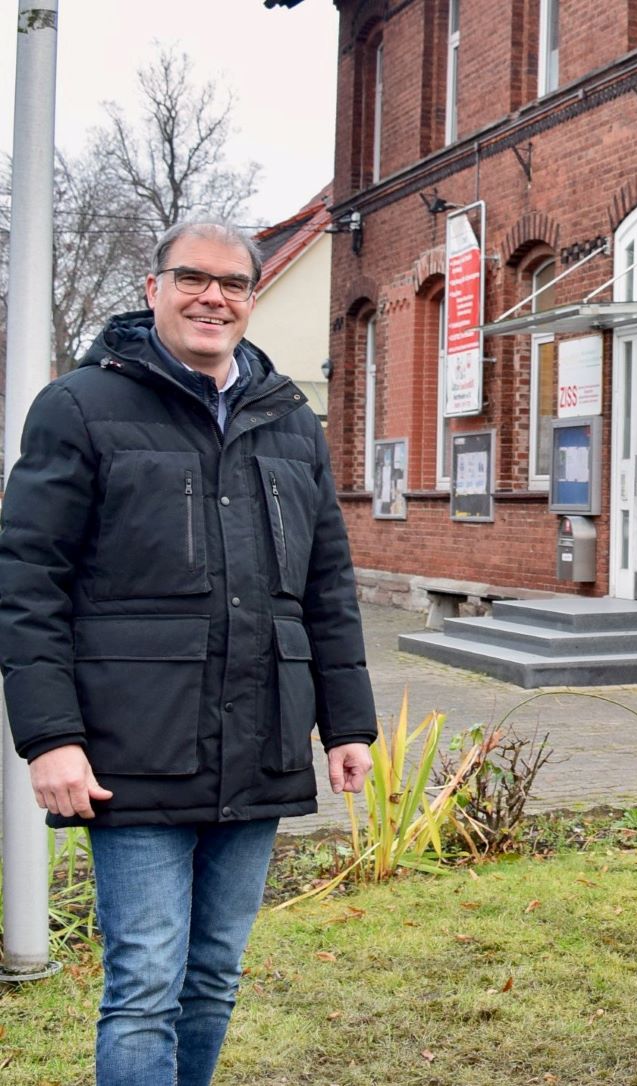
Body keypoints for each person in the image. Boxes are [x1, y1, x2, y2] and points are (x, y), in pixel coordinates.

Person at [0, 220, 377, 1086]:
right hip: (132, 751)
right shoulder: (82, 407)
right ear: (153, 288)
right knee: (143, 984)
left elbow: (326, 584)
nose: (214, 297)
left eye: (234, 284)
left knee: (213, 977)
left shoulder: (289, 420)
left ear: (250, 299)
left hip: (259, 741)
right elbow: (28, 582)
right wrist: (49, 736)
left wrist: (346, 724)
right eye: (193, 279)